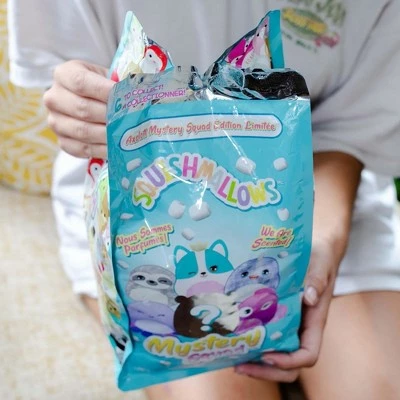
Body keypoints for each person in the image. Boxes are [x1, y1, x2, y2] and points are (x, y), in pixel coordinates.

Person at [8, 0, 400, 399]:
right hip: (138, 219)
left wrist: (322, 247)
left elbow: (347, 133)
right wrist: (79, 105)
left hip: (320, 198)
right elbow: (68, 77)